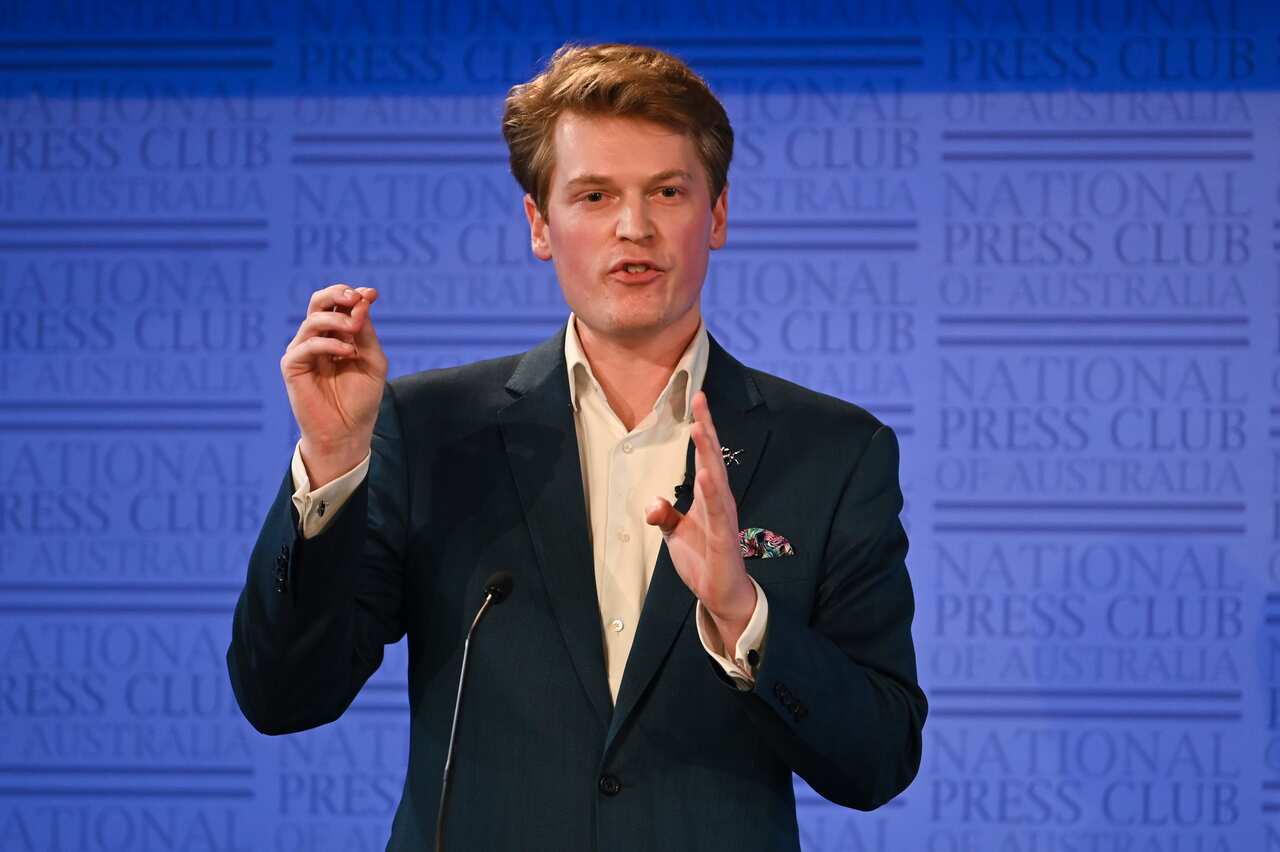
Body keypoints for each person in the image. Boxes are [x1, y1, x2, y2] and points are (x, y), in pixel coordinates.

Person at [227, 42, 926, 852]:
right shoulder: (432, 430)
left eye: (667, 191)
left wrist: (743, 615)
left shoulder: (834, 452)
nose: (634, 228)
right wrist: (334, 460)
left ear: (719, 214)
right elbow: (283, 698)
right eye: (594, 195)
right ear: (540, 225)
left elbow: (879, 760)